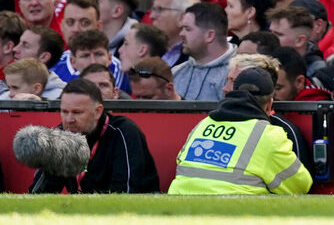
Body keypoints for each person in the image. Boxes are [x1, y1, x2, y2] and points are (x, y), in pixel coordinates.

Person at [169, 66, 313, 194]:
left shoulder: (203, 124)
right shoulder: (269, 135)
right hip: (232, 213)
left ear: (232, 94)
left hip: (178, 209)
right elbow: (300, 186)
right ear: (269, 105)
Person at [30, 77, 159, 193]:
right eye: (64, 112)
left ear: (97, 112)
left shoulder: (123, 132)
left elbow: (125, 193)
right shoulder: (60, 135)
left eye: (77, 112)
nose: (69, 119)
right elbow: (40, 193)